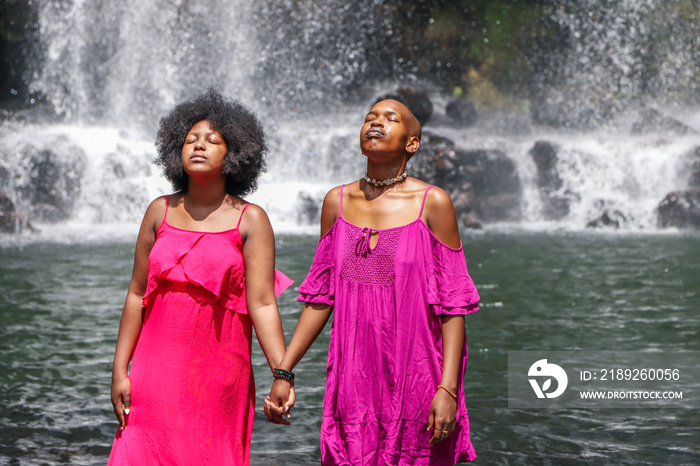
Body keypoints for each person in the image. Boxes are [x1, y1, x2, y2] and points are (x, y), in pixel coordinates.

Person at [266, 99, 480, 464]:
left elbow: (453, 305)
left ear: (412, 143)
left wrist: (448, 389)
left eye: (390, 118)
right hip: (354, 375)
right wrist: (285, 372)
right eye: (369, 117)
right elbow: (320, 297)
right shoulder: (337, 201)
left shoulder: (434, 203)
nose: (376, 123)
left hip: (418, 375)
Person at [108, 90, 294, 465]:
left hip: (219, 374)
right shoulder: (158, 211)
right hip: (154, 371)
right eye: (191, 139)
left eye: (212, 141)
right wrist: (119, 369)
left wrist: (283, 373)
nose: (199, 145)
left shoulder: (251, 219)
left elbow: (261, 303)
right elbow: (136, 295)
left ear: (234, 154)